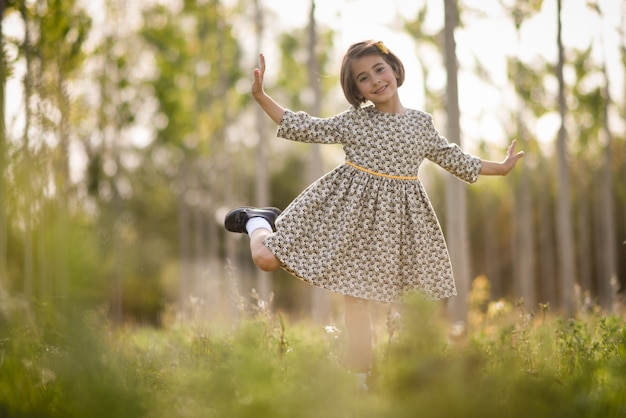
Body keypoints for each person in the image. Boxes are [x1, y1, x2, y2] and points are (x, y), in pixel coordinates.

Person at [224, 40, 524, 388]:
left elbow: (456, 159)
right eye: (363, 78)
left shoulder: (421, 125)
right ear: (357, 91)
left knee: (392, 305)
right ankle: (258, 220)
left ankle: (363, 381)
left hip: (396, 228)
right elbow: (304, 126)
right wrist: (261, 97)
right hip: (344, 216)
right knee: (265, 259)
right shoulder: (355, 122)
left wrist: (500, 169)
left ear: (394, 69)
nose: (376, 80)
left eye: (379, 69)